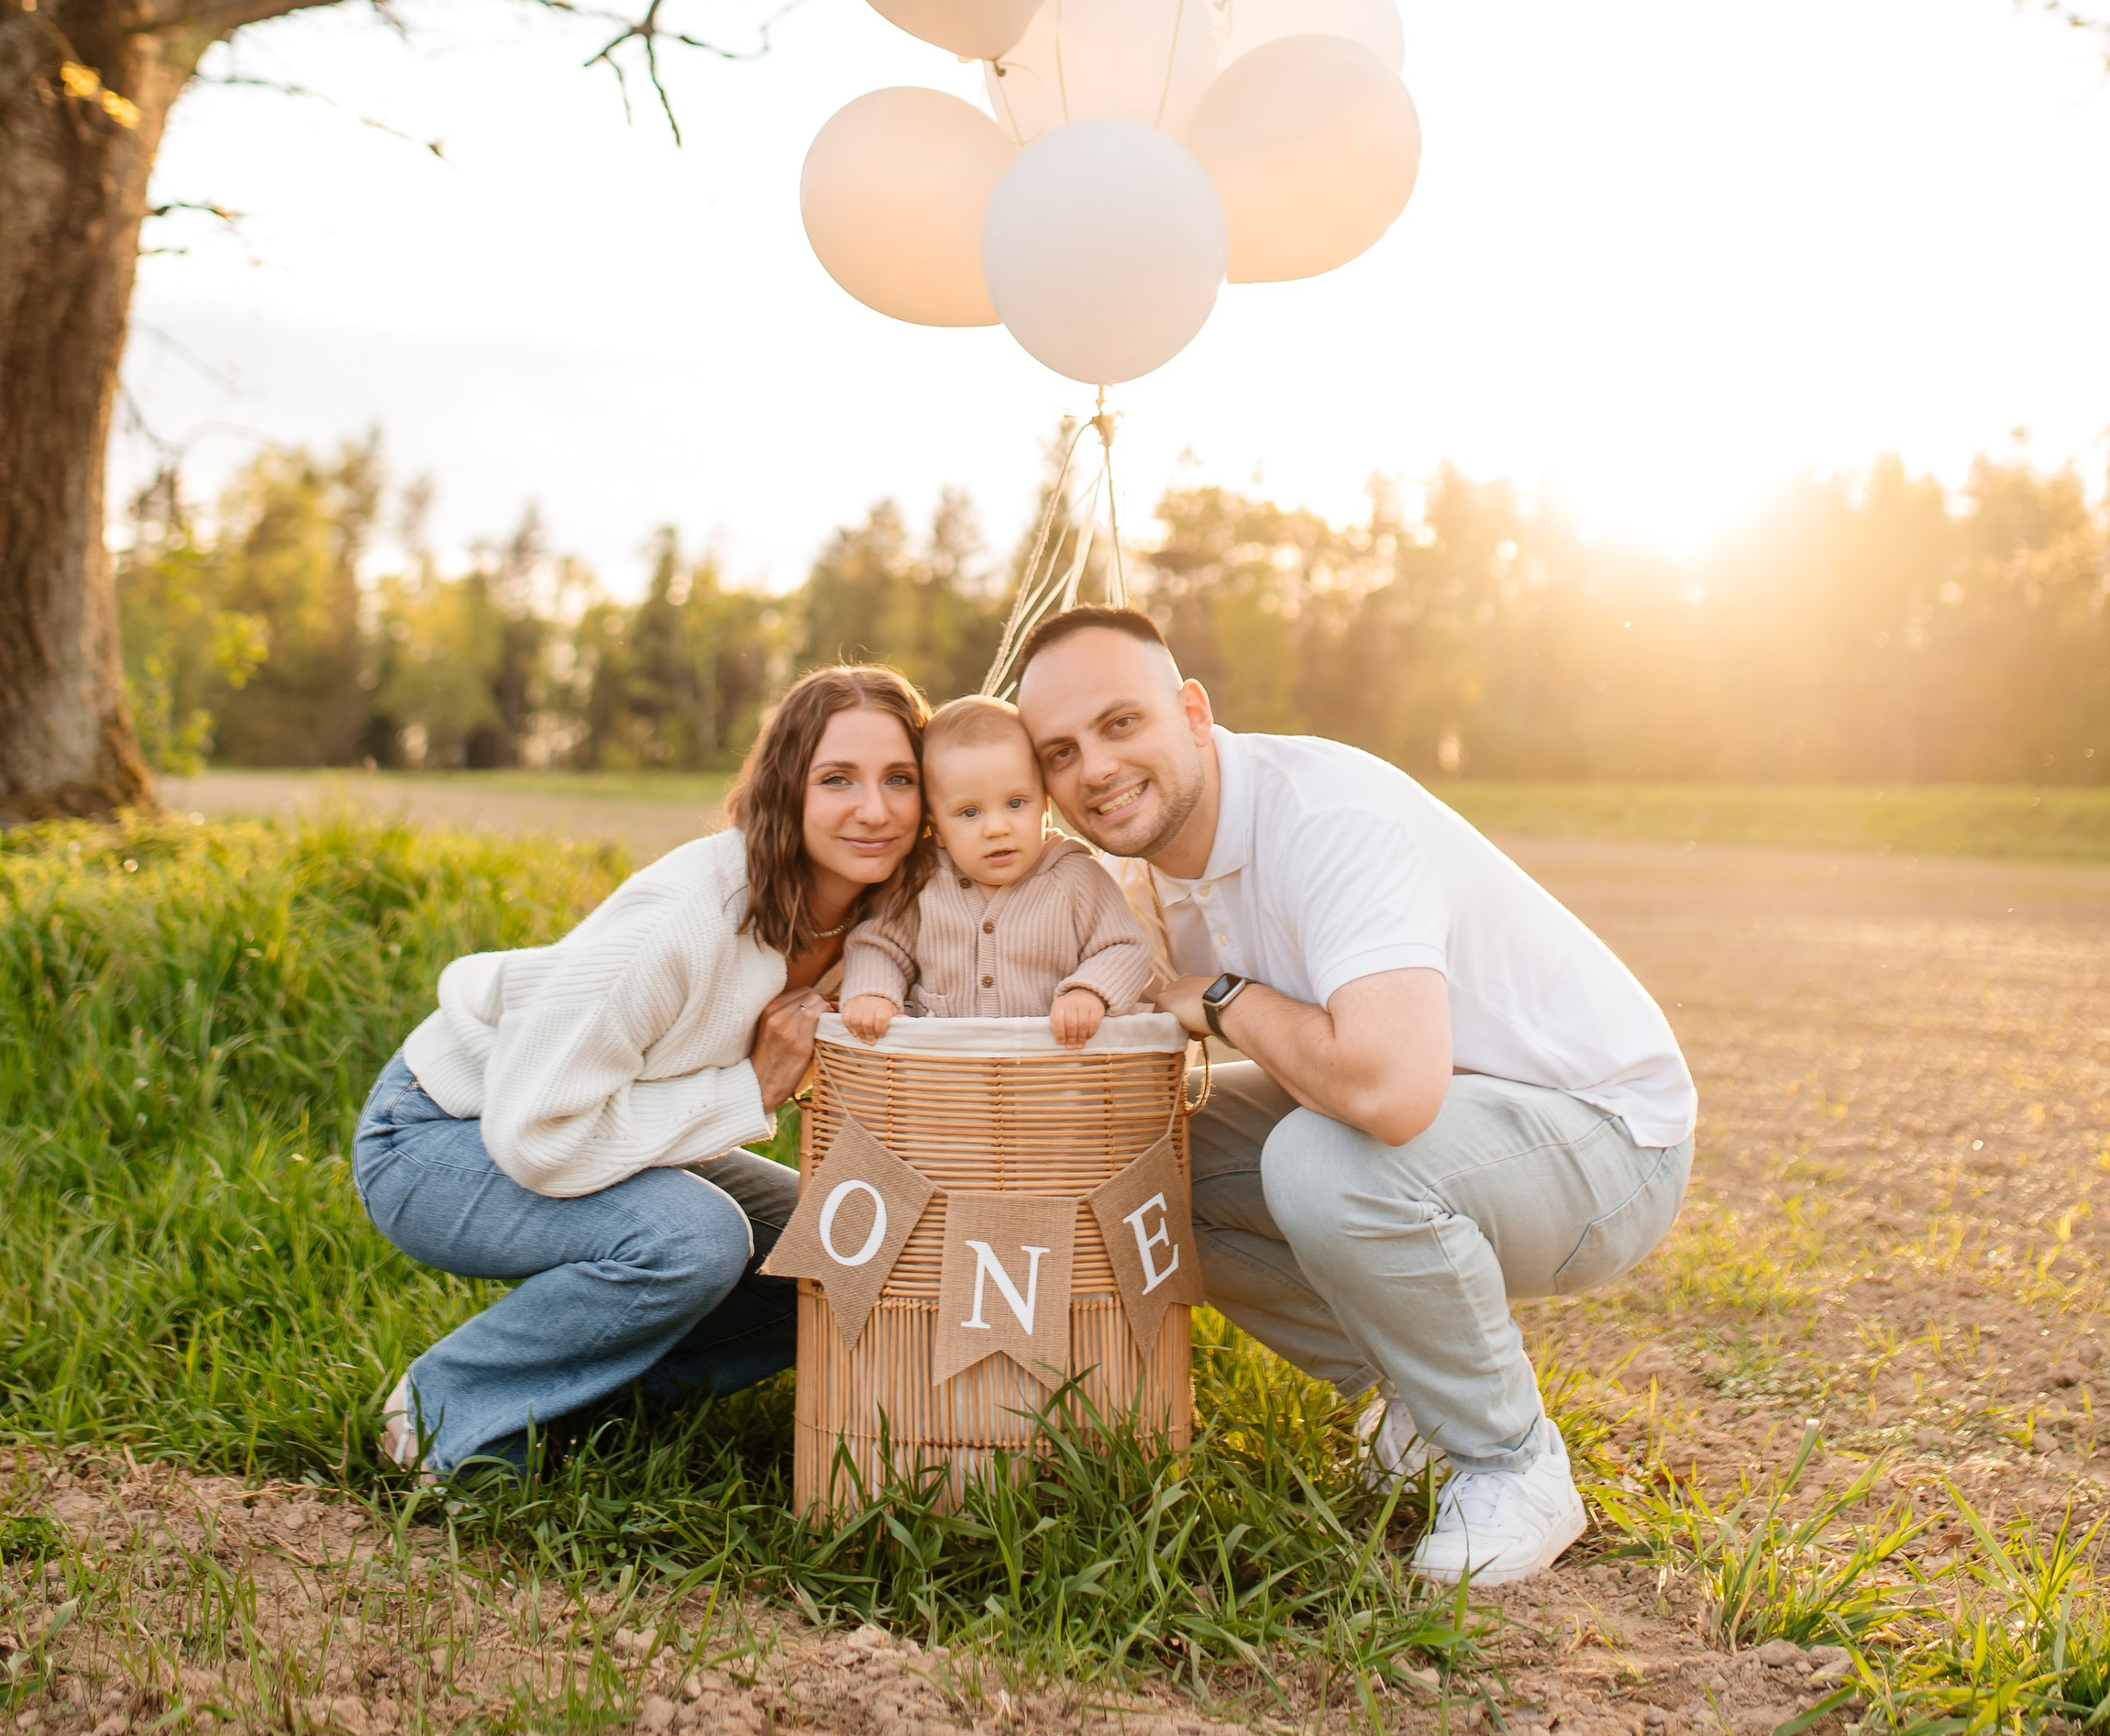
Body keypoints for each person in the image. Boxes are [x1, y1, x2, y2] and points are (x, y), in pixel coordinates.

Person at [1013, 607, 1696, 1587]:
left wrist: (1220, 998)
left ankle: (1511, 1461)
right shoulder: (1141, 871)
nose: (1096, 768)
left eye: (1122, 724)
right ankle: (1423, 1394)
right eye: (1061, 751)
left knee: (1323, 1160)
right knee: (1135, 1159)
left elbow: (1388, 1088)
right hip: (1459, 1119)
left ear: (1192, 711)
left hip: (1608, 1141)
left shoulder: (1325, 814)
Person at [351, 664, 931, 1479]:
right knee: (695, 1237)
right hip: (443, 1133)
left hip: (589, 1123)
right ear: (785, 790)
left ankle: (579, 1410)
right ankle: (442, 1412)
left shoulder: (882, 916)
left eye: (899, 779)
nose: (874, 810)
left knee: (842, 1253)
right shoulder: (687, 919)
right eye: (837, 778)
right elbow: (538, 1136)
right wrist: (755, 1088)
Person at [840, 694, 1156, 1047]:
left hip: (1051, 1070)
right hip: (941, 1074)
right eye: (970, 813)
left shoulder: (1074, 876)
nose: (996, 828)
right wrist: (874, 994)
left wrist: (1087, 992)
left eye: (1016, 803)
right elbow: (880, 944)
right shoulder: (922, 881)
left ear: (1045, 809)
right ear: (938, 829)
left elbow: (1123, 947)